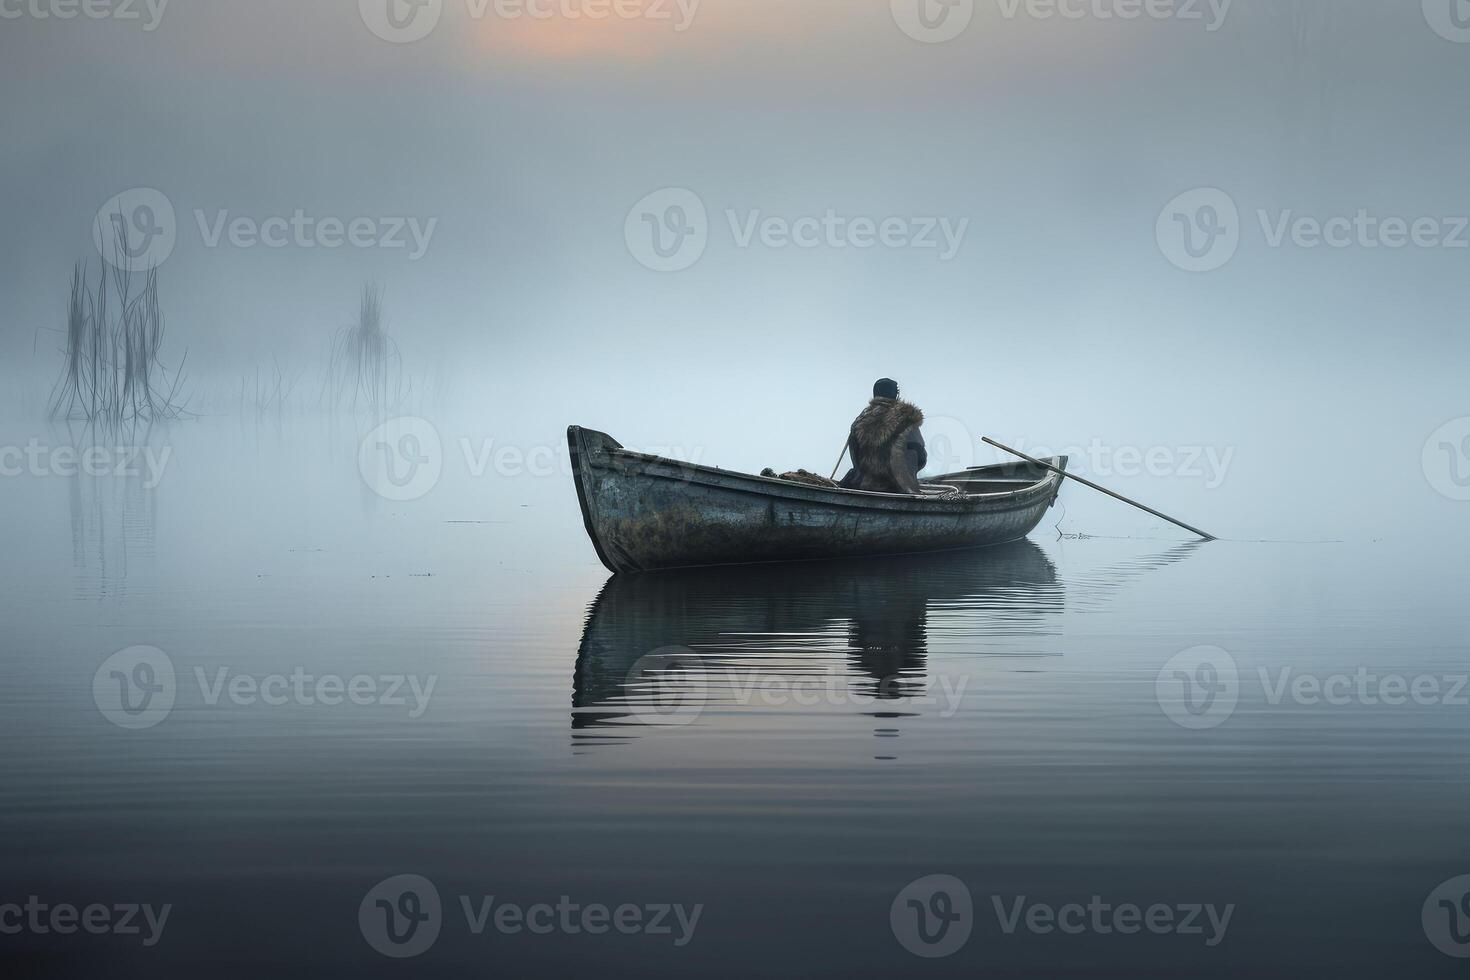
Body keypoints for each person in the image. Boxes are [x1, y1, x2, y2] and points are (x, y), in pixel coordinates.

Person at [838, 378, 927, 494]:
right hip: (899, 489)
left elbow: (855, 458)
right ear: (896, 394)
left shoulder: (860, 422)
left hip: (863, 486)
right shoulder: (907, 419)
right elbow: (920, 456)